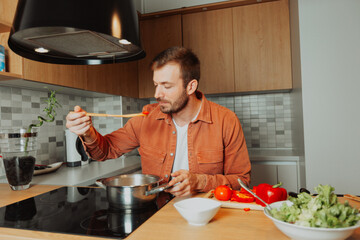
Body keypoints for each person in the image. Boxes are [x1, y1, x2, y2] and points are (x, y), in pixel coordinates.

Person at [66, 46, 251, 197]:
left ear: (191, 86)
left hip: (205, 213)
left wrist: (200, 182)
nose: (156, 94)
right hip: (156, 211)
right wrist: (87, 132)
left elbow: (242, 181)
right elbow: (104, 151)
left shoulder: (226, 120)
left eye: (166, 86)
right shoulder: (146, 118)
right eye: (156, 84)